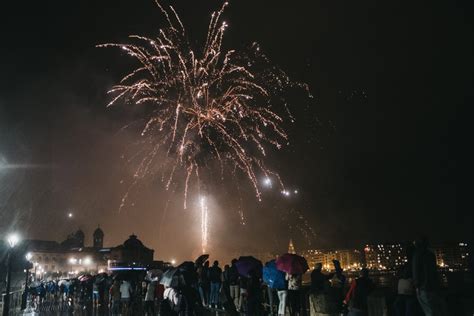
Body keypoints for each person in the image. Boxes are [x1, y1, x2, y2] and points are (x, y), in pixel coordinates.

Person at [412, 237, 447, 316]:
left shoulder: (416, 255)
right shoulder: (430, 255)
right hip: (431, 287)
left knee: (429, 312)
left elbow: (416, 272)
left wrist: (417, 286)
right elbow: (432, 272)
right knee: (436, 311)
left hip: (422, 288)